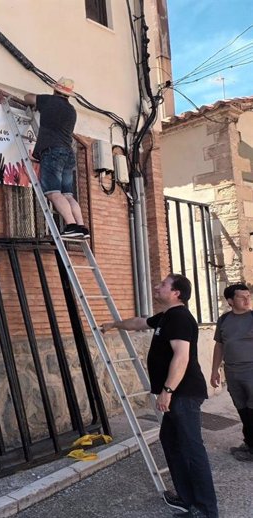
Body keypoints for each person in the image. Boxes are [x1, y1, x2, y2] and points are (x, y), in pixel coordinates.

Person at [101, 274, 218, 518]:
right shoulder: (166, 317)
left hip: (183, 393)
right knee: (172, 443)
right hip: (177, 394)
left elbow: (181, 357)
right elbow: (140, 322)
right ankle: (186, 499)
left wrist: (167, 391)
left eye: (163, 285)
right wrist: (115, 325)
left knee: (191, 449)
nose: (157, 287)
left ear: (176, 293)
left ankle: (206, 510)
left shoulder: (180, 318)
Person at [23, 77, 89, 239]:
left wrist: (38, 103)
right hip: (68, 153)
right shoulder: (71, 111)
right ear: (68, 95)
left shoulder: (49, 101)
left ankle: (71, 225)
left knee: (53, 193)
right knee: (67, 195)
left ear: (55, 90)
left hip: (53, 153)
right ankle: (81, 226)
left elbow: (28, 98)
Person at [211, 282, 253, 462]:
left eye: (248, 296)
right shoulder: (224, 320)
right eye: (241, 297)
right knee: (242, 410)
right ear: (230, 301)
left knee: (252, 411)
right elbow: (219, 345)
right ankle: (250, 442)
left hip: (251, 371)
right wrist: (214, 371)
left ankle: (251, 449)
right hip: (232, 372)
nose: (247, 299)